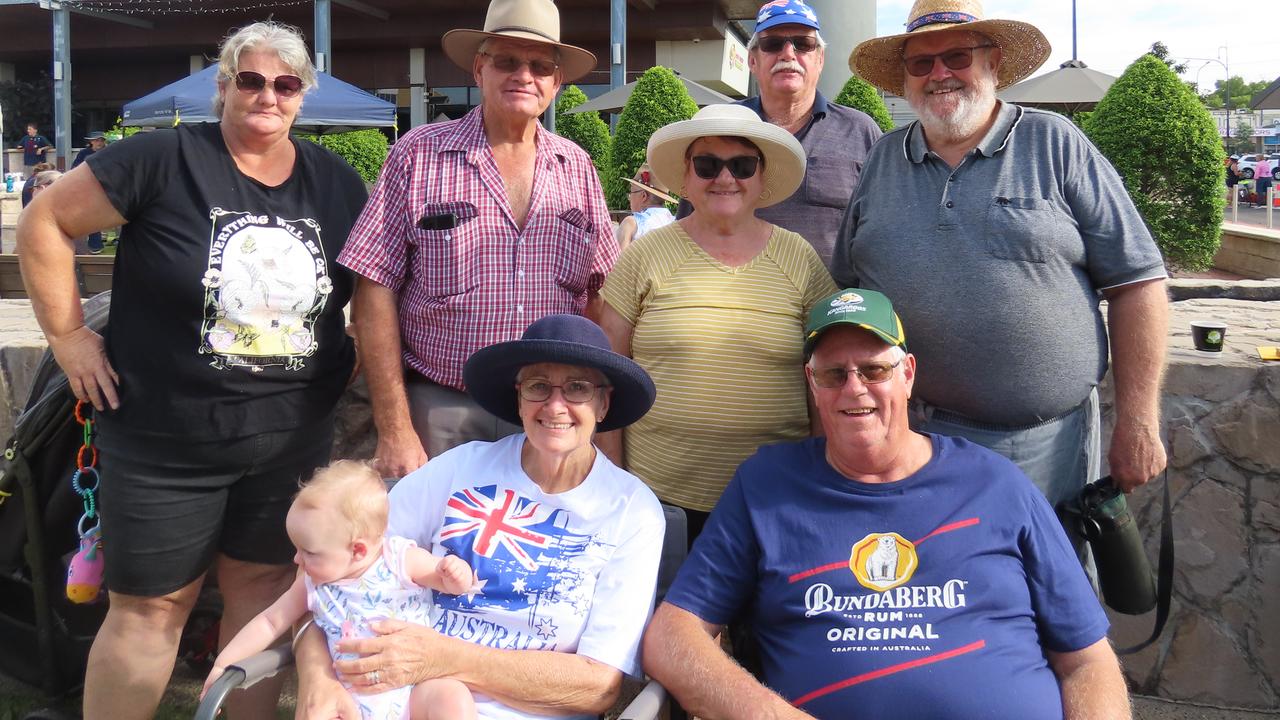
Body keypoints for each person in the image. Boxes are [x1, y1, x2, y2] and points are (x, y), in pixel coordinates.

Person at [16, 21, 367, 720]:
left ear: (303, 96)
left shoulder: (336, 183)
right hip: (161, 442)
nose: (268, 95)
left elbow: (370, 290)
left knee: (265, 591)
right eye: (252, 79)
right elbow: (45, 223)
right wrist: (68, 336)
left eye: (286, 84)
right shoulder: (161, 159)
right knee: (151, 608)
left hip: (287, 440)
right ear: (224, 84)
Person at [642, 288, 1130, 720]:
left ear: (908, 374)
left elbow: (1087, 659)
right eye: (833, 374)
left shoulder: (996, 483)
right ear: (812, 384)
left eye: (874, 369)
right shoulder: (767, 485)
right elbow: (671, 635)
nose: (854, 387)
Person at [833, 0, 1169, 557]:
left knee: (1046, 605)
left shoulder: (1055, 144)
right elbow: (851, 287)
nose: (940, 74)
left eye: (957, 56)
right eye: (922, 64)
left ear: (993, 62)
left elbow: (1139, 283)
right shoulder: (882, 159)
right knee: (933, 599)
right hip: (908, 439)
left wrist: (1137, 419)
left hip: (1041, 448)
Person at [295, 314, 666, 720]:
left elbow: (597, 687)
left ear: (603, 403)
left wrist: (442, 657)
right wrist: (317, 676)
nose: (555, 405)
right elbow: (328, 571)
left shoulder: (632, 511)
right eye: (538, 386)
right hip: (398, 703)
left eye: (578, 388)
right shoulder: (458, 469)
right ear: (519, 399)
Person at [339, 0, 617, 479]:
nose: (523, 76)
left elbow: (601, 297)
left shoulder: (578, 168)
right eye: (507, 61)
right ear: (479, 68)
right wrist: (395, 426)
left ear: (556, 82)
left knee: (530, 547)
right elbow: (374, 289)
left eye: (539, 66)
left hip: (548, 414)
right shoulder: (418, 154)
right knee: (430, 548)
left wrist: (588, 413)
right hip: (441, 408)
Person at [598, 104, 837, 541]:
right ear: (686, 177)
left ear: (761, 178)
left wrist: (822, 472)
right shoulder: (646, 256)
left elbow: (824, 374)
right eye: (707, 165)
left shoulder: (799, 257)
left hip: (776, 499)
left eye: (742, 165)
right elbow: (608, 372)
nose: (725, 179)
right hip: (659, 500)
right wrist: (612, 482)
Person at [205, 460, 478, 720]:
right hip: (349, 699)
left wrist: (456, 574)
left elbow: (447, 582)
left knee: (451, 697)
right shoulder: (313, 584)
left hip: (414, 690)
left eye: (308, 552)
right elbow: (269, 622)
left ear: (357, 550)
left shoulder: (400, 559)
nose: (296, 561)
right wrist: (223, 663)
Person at [674, 0, 882, 268]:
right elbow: (687, 221)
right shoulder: (721, 127)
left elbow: (879, 232)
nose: (788, 53)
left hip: (831, 305)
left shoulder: (860, 131)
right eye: (772, 44)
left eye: (803, 43)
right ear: (752, 60)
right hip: (734, 302)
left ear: (820, 59)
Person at [615, 163, 676, 251]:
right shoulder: (677, 223)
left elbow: (619, 263)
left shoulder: (631, 224)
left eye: (631, 192)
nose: (629, 198)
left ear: (643, 196)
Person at [72, 132, 109, 253]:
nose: (99, 143)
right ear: (91, 142)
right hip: (87, 188)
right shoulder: (83, 153)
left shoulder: (108, 152)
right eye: (97, 140)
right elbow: (75, 169)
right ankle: (94, 244)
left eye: (101, 140)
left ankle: (95, 244)